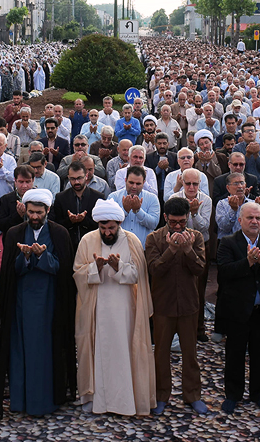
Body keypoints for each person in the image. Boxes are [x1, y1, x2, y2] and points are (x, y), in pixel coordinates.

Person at [0, 188, 76, 417]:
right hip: (21, 303)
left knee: (46, 351)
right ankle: (20, 401)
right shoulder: (14, 233)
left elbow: (63, 269)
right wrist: (25, 257)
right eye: (31, 212)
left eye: (39, 212)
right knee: (20, 350)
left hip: (49, 303)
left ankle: (45, 401)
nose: (35, 217)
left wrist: (42, 256)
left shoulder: (59, 233)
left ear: (47, 211)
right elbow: (10, 271)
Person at [73, 198, 155, 416]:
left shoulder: (132, 241)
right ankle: (97, 399)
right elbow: (77, 273)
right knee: (98, 350)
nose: (107, 232)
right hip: (97, 307)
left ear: (119, 224)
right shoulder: (87, 240)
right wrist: (95, 267)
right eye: (103, 228)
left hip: (125, 308)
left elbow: (140, 276)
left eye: (111, 228)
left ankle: (126, 400)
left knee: (124, 351)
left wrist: (119, 267)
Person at [216, 201, 260, 413]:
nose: (254, 221)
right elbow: (224, 272)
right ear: (240, 220)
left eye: (258, 218)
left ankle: (258, 393)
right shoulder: (228, 243)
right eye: (250, 218)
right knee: (235, 355)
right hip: (238, 311)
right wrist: (248, 262)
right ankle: (233, 395)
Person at [145, 197, 208, 415]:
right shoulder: (154, 239)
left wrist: (189, 250)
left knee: (190, 354)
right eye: (173, 222)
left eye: (182, 221)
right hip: (163, 305)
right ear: (165, 218)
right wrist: (171, 250)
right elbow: (154, 270)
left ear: (188, 217)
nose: (179, 226)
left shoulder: (197, 237)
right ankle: (161, 395)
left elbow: (200, 270)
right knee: (161, 353)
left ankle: (193, 396)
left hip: (189, 305)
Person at [168, 167, 213, 341]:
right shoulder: (174, 198)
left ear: (200, 184)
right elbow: (173, 226)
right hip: (177, 246)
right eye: (188, 183)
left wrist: (194, 213)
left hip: (199, 246)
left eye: (195, 184)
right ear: (182, 183)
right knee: (177, 288)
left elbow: (203, 228)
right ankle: (176, 331)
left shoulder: (206, 200)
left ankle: (199, 329)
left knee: (199, 290)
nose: (192, 187)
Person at [53, 161, 107, 250]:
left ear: (86, 176)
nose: (77, 182)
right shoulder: (61, 198)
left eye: (79, 178)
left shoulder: (98, 197)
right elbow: (57, 225)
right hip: (68, 246)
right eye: (73, 179)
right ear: (68, 178)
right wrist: (70, 221)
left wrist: (84, 220)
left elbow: (101, 224)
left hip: (92, 245)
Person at [107, 165, 161, 249]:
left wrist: (138, 211)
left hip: (143, 250)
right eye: (131, 182)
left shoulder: (152, 198)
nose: (134, 186)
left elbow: (153, 224)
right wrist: (124, 211)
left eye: (138, 183)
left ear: (144, 182)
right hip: (118, 248)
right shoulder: (113, 197)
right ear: (125, 180)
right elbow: (108, 223)